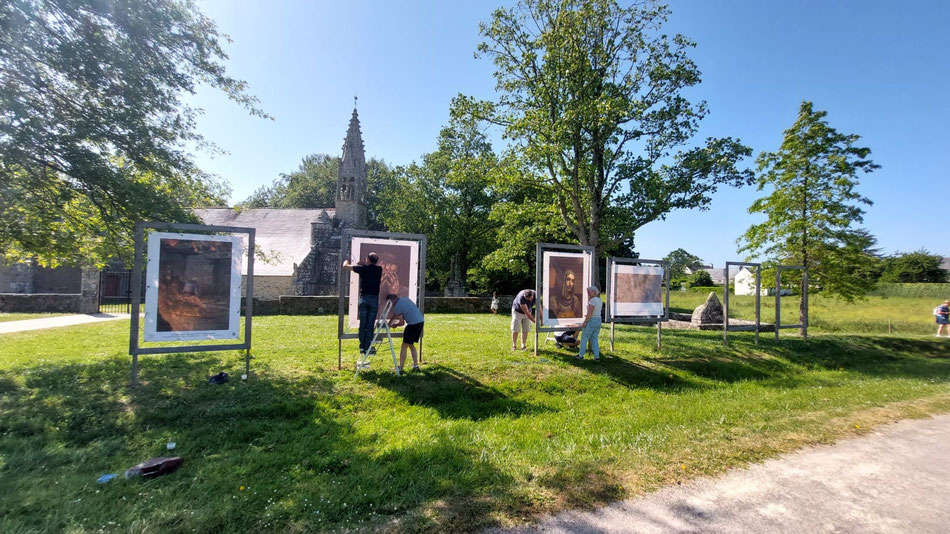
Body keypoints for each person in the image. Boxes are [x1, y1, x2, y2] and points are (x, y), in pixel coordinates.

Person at [343, 252, 382, 354]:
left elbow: (345, 266)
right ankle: (368, 347)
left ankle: (362, 347)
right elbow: (369, 267)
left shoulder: (363, 269)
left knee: (363, 324)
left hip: (364, 299)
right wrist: (363, 264)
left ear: (368, 259)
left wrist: (347, 260)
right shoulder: (379, 269)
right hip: (374, 299)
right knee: (370, 325)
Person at [386, 294, 424, 373]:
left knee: (404, 345)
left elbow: (402, 323)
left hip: (412, 325)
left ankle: (400, 368)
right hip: (420, 322)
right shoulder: (405, 299)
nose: (391, 306)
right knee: (410, 344)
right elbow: (396, 315)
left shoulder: (397, 307)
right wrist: (390, 322)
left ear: (392, 301)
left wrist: (394, 325)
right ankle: (415, 365)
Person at [576, 285, 603, 360]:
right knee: (594, 338)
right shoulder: (599, 300)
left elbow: (590, 312)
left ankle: (581, 355)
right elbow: (594, 312)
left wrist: (585, 321)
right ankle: (596, 356)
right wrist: (588, 315)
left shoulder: (592, 300)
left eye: (589, 292)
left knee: (584, 338)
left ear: (594, 292)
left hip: (591, 321)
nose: (588, 293)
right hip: (598, 319)